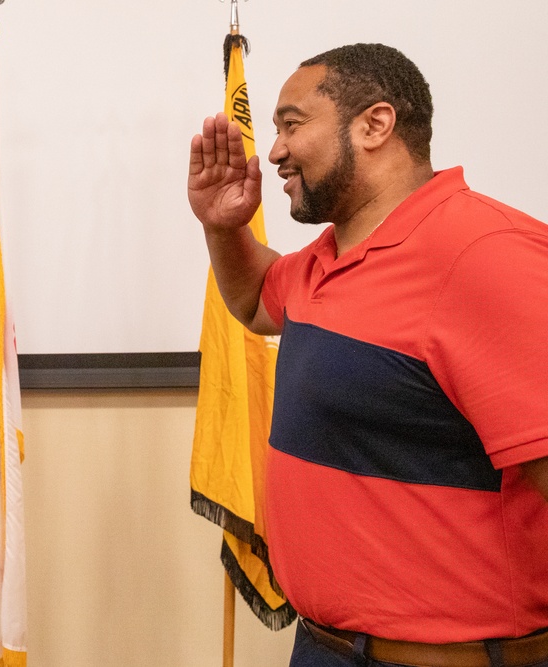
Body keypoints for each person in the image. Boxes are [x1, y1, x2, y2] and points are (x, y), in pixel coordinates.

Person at [188, 43, 548, 667]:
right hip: (324, 647)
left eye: (291, 125)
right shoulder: (328, 257)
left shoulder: (487, 255)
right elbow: (253, 304)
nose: (272, 151)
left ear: (375, 125)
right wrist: (223, 227)